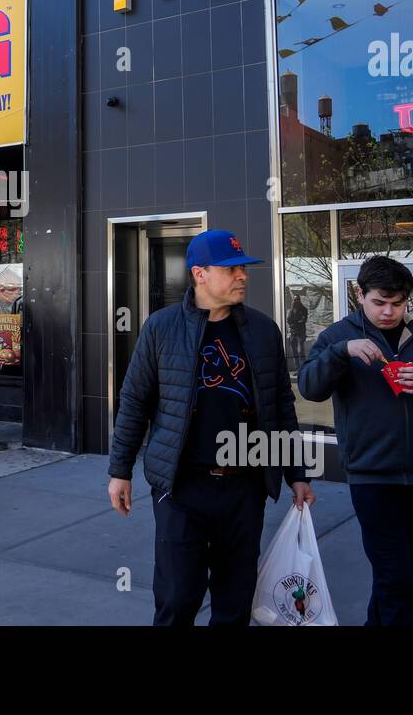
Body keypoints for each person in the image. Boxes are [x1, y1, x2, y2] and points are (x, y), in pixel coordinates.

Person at [108, 229, 314, 626]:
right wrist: (120, 471)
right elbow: (135, 401)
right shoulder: (161, 328)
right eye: (231, 269)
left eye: (243, 269)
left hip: (244, 486)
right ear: (199, 273)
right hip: (181, 486)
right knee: (177, 598)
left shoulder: (262, 329)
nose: (242, 276)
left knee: (235, 601)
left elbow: (280, 407)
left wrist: (297, 474)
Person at [297, 255, 413, 626]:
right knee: (395, 577)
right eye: (380, 302)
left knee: (401, 573)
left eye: (398, 303)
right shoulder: (337, 336)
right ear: (359, 294)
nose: (389, 312)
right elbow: (310, 387)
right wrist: (341, 353)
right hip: (372, 475)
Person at [286, 294, 309, 367]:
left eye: (297, 299)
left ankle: (303, 367)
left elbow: (302, 321)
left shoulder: (304, 310)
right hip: (293, 333)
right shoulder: (291, 310)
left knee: (300, 351)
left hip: (300, 333)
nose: (296, 301)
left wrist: (294, 323)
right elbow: (288, 320)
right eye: (295, 300)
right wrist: (295, 323)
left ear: (300, 300)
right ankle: (297, 368)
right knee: (294, 352)